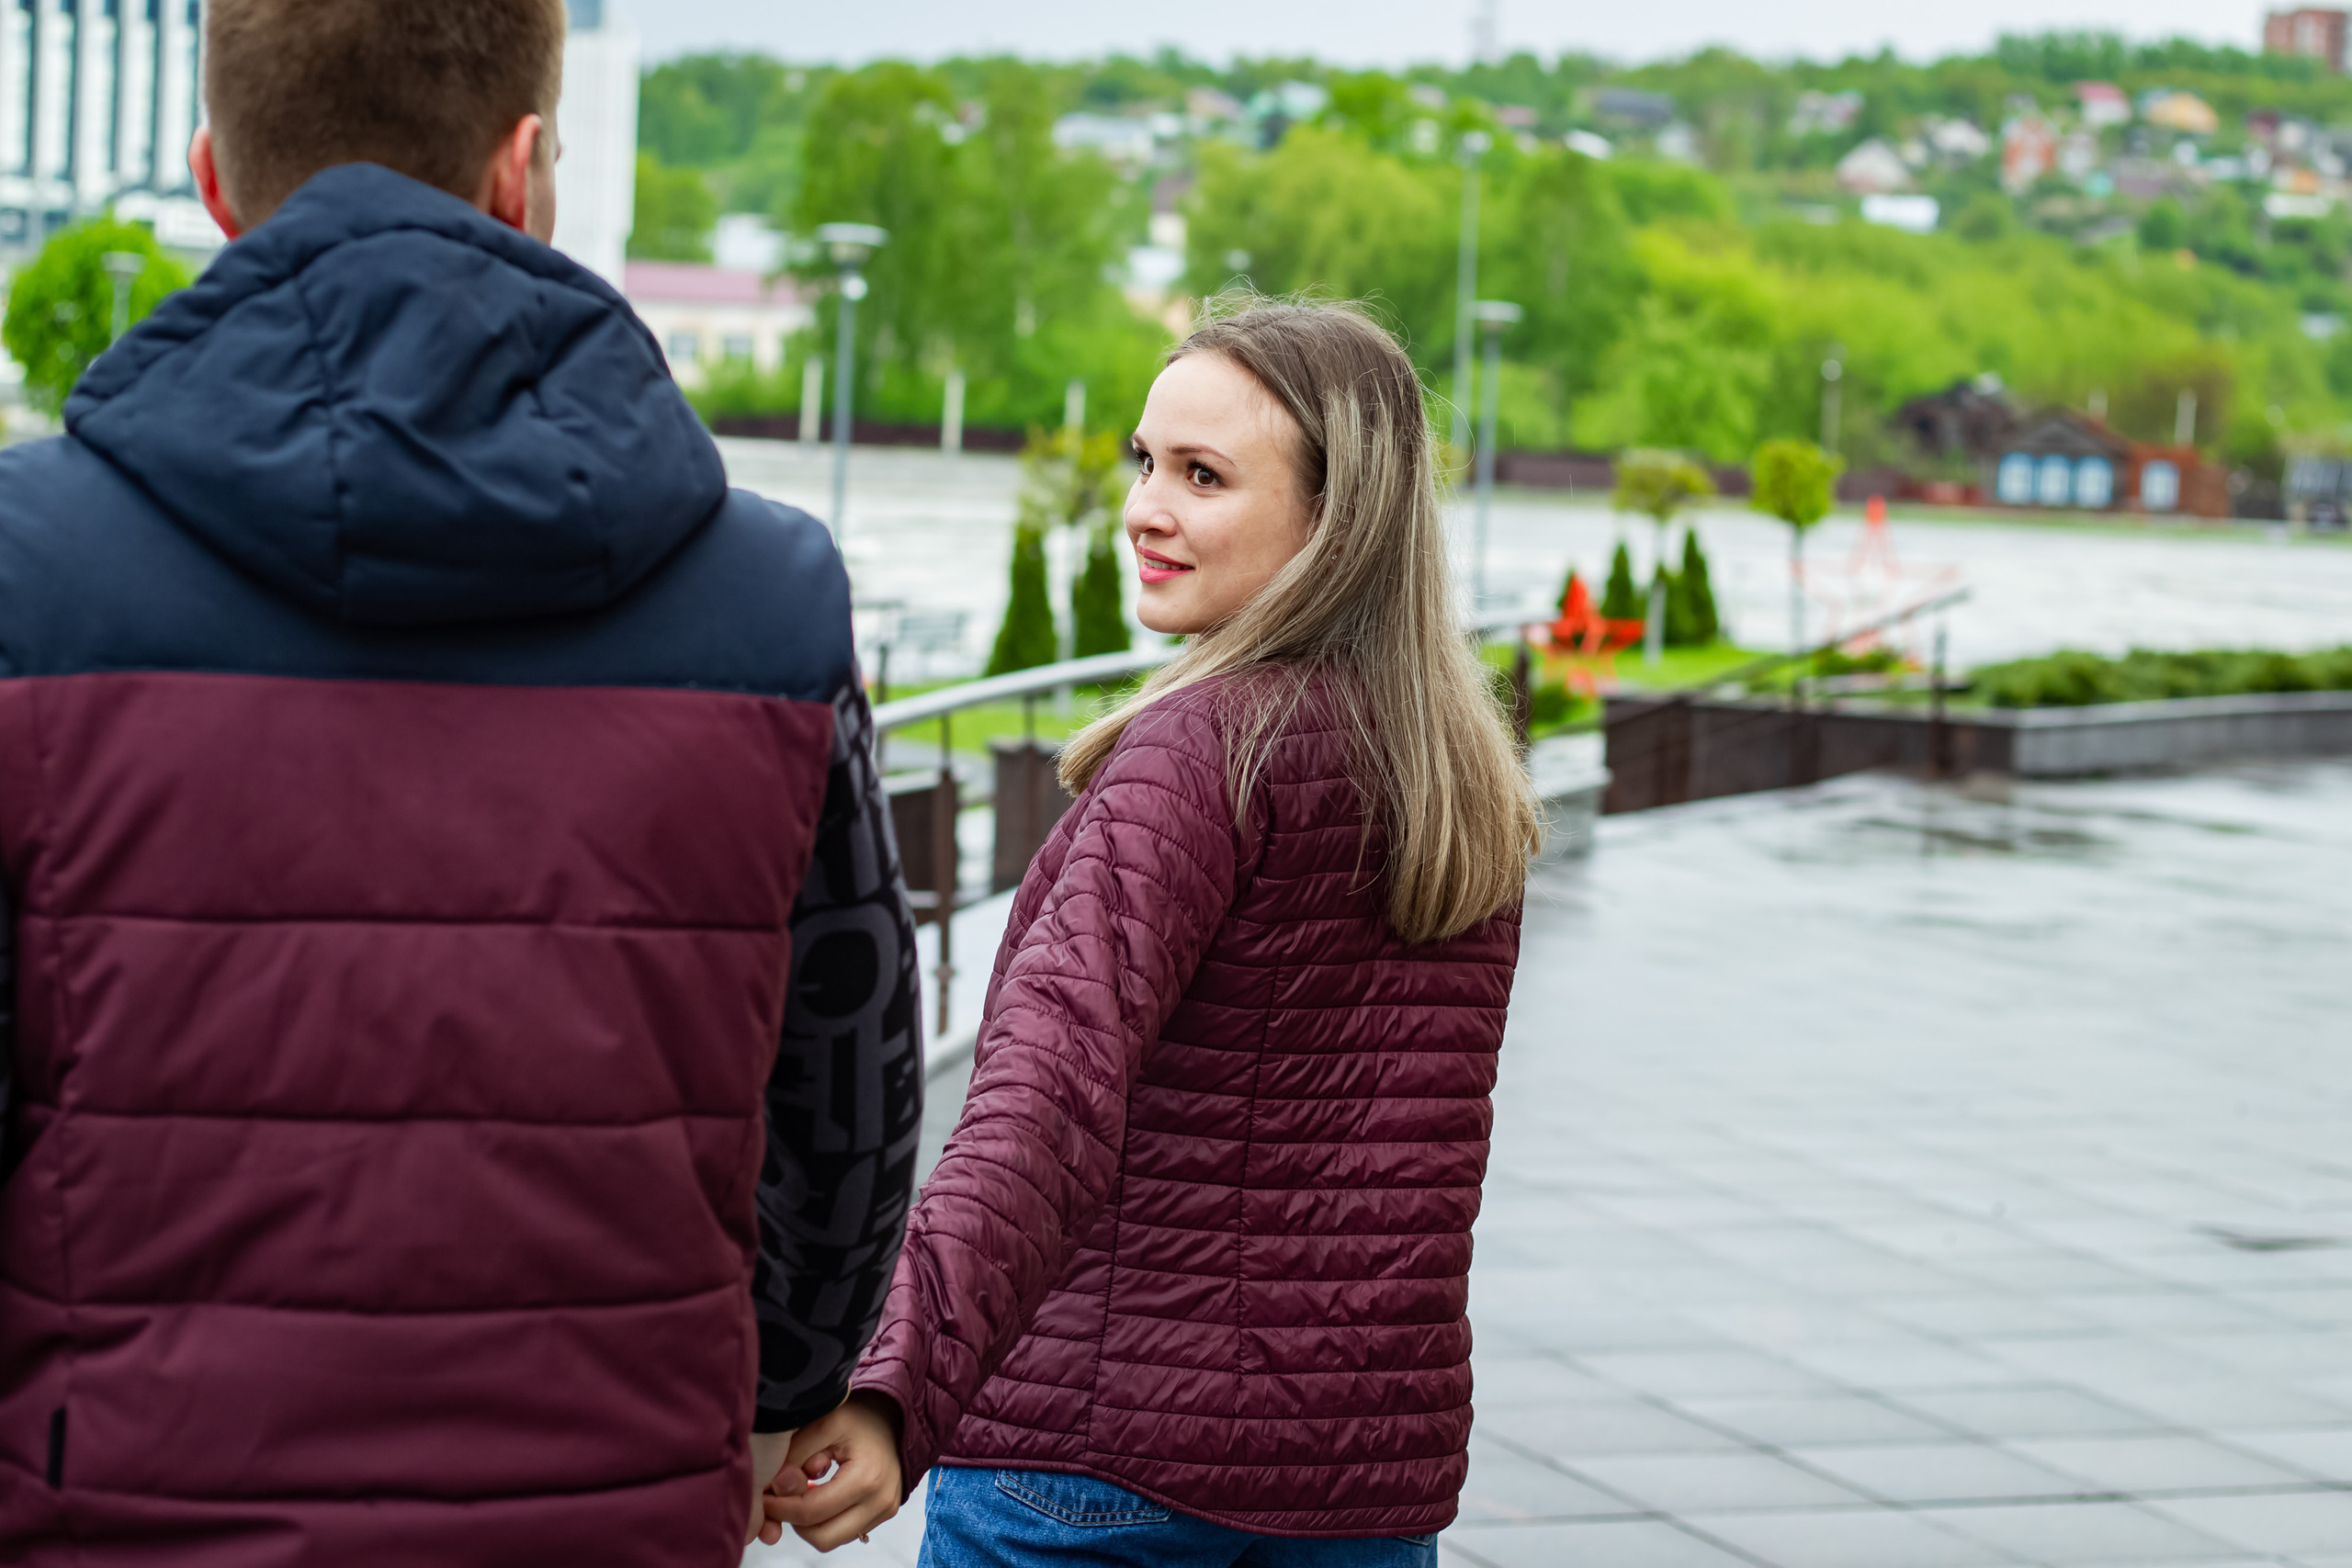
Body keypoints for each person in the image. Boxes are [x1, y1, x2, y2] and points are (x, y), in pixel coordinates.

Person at [0, 2, 920, 1562]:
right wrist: (777, 1387)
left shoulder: (30, 575)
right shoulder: (767, 601)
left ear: (213, 176)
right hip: (617, 1498)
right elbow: (849, 1081)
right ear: (522, 167)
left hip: (119, 1505)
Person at [773, 300, 1541, 1562]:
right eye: (1145, 462)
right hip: (1352, 1480)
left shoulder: (1196, 755)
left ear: (1335, 517)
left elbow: (1044, 1102)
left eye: (1202, 476)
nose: (1144, 508)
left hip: (1098, 1465)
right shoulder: (1454, 773)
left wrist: (895, 1383)